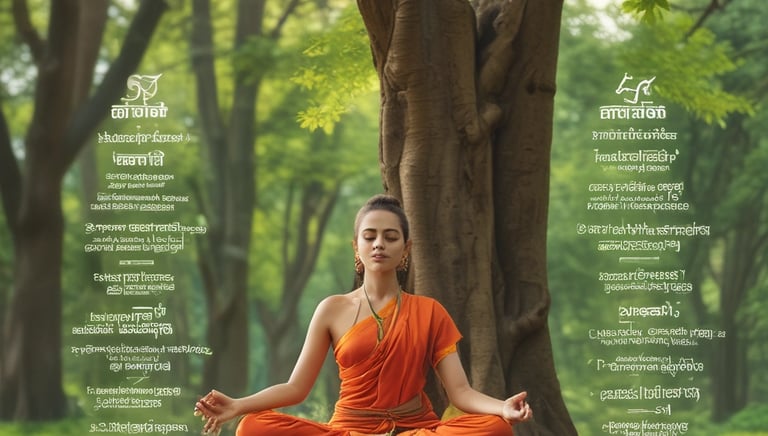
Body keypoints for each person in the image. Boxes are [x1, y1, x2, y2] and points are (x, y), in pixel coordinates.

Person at [194, 194, 533, 435]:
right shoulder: (332, 309)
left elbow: (461, 393)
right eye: (369, 237)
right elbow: (296, 388)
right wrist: (240, 404)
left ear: (406, 248)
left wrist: (502, 408)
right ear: (355, 246)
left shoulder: (429, 312)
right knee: (254, 427)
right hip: (349, 431)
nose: (378, 245)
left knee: (494, 428)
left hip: (414, 431)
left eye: (390, 237)